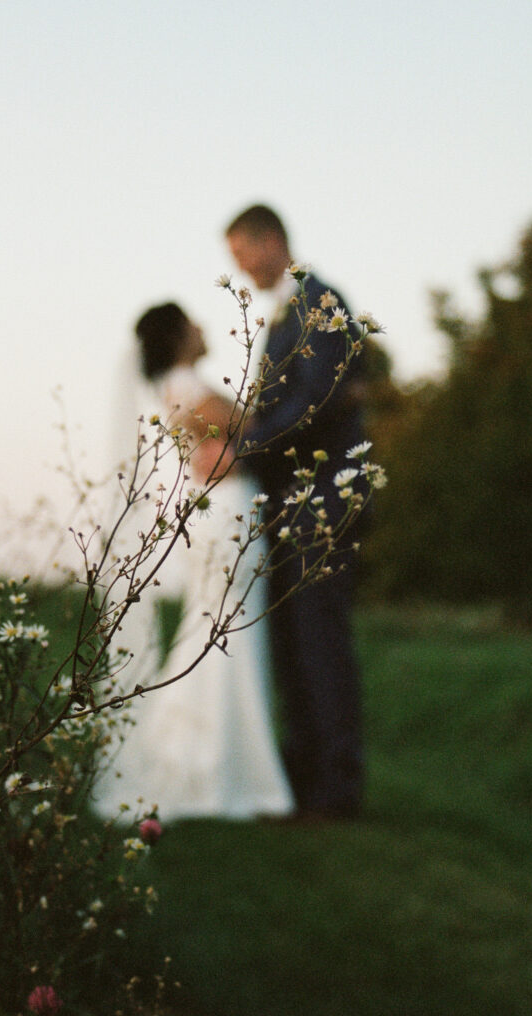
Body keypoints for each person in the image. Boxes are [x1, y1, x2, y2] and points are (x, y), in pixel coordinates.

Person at [91, 302, 294, 823]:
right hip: (226, 513)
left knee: (214, 630)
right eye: (194, 322)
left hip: (218, 514)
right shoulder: (192, 389)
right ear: (179, 337)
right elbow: (259, 428)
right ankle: (214, 768)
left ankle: (219, 760)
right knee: (226, 634)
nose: (204, 327)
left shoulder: (178, 388)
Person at [225, 204, 367, 820]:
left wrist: (242, 449)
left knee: (318, 641)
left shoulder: (319, 301)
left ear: (271, 240)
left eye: (240, 254)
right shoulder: (290, 311)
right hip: (290, 497)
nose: (237, 268)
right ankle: (299, 783)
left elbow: (319, 397)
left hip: (324, 496)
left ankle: (335, 790)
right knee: (291, 642)